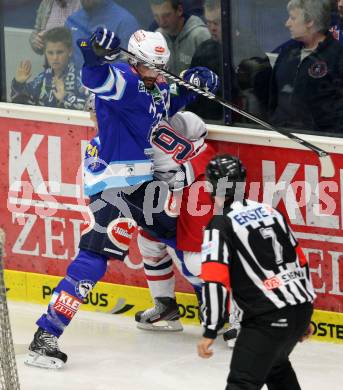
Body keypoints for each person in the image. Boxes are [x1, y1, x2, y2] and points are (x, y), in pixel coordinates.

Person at [24, 27, 219, 369]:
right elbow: (94, 76)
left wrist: (197, 83)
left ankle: (212, 312)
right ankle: (45, 336)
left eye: (163, 66)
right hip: (114, 187)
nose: (158, 73)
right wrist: (91, 51)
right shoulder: (122, 81)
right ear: (134, 61)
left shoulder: (154, 86)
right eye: (151, 67)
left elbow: (173, 97)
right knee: (95, 258)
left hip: (142, 184)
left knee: (178, 236)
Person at [197, 154, 316, 390]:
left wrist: (211, 328)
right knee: (276, 367)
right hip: (300, 308)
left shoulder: (220, 223)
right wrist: (304, 316)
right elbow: (300, 263)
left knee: (242, 383)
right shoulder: (271, 211)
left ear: (212, 186)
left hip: (267, 317)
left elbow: (214, 278)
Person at [134, 111, 216, 331]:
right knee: (149, 240)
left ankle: (216, 305)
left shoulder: (131, 119)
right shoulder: (146, 109)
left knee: (193, 258)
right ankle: (165, 305)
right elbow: (197, 126)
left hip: (197, 183)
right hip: (174, 185)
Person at [187, 0, 270, 121]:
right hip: (206, 122)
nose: (212, 28)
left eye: (217, 23)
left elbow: (262, 94)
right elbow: (192, 91)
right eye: (209, 23)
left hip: (240, 123)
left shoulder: (249, 48)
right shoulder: (203, 50)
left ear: (230, 19)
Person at [269, 0, 343, 134]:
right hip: (279, 136)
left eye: (292, 18)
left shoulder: (337, 57)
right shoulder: (287, 53)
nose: (287, 24)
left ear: (310, 21)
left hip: (319, 141)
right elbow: (273, 97)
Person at [11, 26, 87, 110]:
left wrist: (65, 97)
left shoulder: (82, 78)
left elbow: (92, 108)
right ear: (45, 53)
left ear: (69, 51)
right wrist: (18, 84)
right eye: (50, 53)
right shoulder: (41, 79)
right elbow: (21, 106)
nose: (55, 57)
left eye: (60, 52)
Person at [65, 0, 139, 70]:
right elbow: (65, 61)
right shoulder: (72, 21)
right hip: (74, 80)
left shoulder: (125, 21)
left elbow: (128, 64)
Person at [149, 0, 211, 75]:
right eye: (156, 16)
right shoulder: (157, 37)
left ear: (179, 10)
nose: (161, 22)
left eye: (167, 15)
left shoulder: (201, 36)